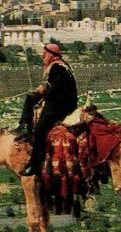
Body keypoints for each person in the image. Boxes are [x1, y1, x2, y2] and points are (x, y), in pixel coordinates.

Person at [13, 42, 78, 177]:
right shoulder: (60, 67)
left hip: (60, 104)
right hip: (60, 101)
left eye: (45, 53)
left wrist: (44, 93)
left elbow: (54, 90)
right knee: (31, 97)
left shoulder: (57, 68)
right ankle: (24, 124)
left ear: (51, 55)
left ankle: (35, 165)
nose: (43, 56)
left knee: (40, 130)